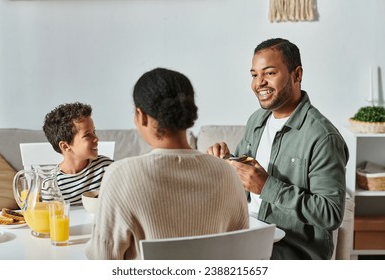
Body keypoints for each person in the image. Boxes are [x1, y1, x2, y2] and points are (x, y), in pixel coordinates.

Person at [207, 38, 349, 260]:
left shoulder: (322, 137)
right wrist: (227, 161)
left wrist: (267, 186)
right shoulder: (257, 120)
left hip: (290, 250)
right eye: (254, 75)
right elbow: (245, 176)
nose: (259, 83)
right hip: (247, 233)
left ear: (297, 75)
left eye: (269, 73)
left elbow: (331, 214)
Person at [85, 68, 249, 260]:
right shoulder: (226, 172)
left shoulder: (121, 175)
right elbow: (241, 251)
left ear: (141, 116)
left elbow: (103, 259)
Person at [43, 102, 114, 205]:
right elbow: (51, 219)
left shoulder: (107, 168)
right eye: (87, 135)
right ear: (65, 146)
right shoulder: (50, 185)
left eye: (94, 132)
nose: (96, 139)